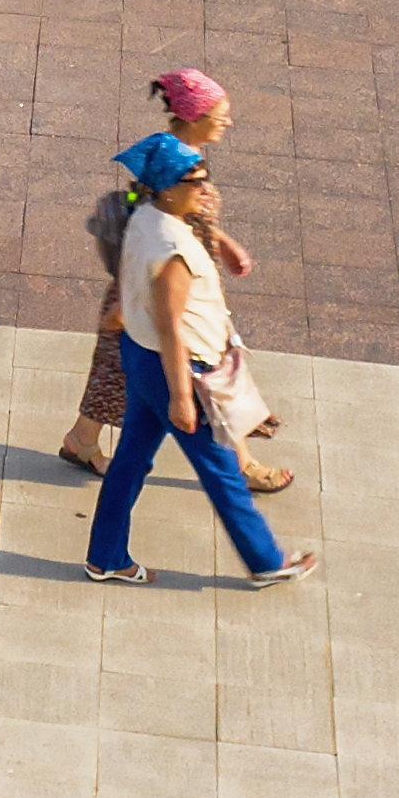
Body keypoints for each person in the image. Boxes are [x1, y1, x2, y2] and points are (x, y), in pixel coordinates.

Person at [83, 140, 312, 590]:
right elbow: (171, 326)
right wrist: (183, 398)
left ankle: (105, 556)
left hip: (142, 355)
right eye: (195, 181)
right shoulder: (175, 249)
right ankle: (266, 560)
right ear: (169, 187)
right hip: (174, 370)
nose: (204, 188)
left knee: (130, 460)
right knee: (221, 468)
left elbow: (137, 294)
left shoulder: (144, 219)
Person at [60, 73, 287, 484]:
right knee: (209, 376)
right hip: (161, 292)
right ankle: (244, 464)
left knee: (117, 373)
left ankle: (82, 440)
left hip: (160, 289)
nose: (228, 122)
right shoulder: (172, 162)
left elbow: (188, 217)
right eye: (221, 115)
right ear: (194, 116)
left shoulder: (185, 156)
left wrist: (224, 244)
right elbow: (158, 222)